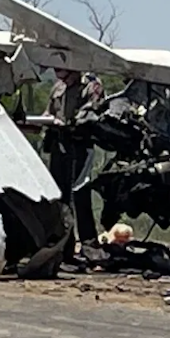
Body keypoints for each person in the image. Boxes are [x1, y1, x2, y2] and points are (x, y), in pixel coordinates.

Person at [41, 68, 104, 256]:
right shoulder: (58, 88)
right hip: (59, 144)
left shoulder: (92, 85)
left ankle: (89, 245)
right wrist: (45, 121)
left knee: (79, 194)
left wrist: (73, 123)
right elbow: (49, 111)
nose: (58, 73)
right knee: (59, 196)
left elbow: (94, 112)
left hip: (80, 144)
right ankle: (63, 245)